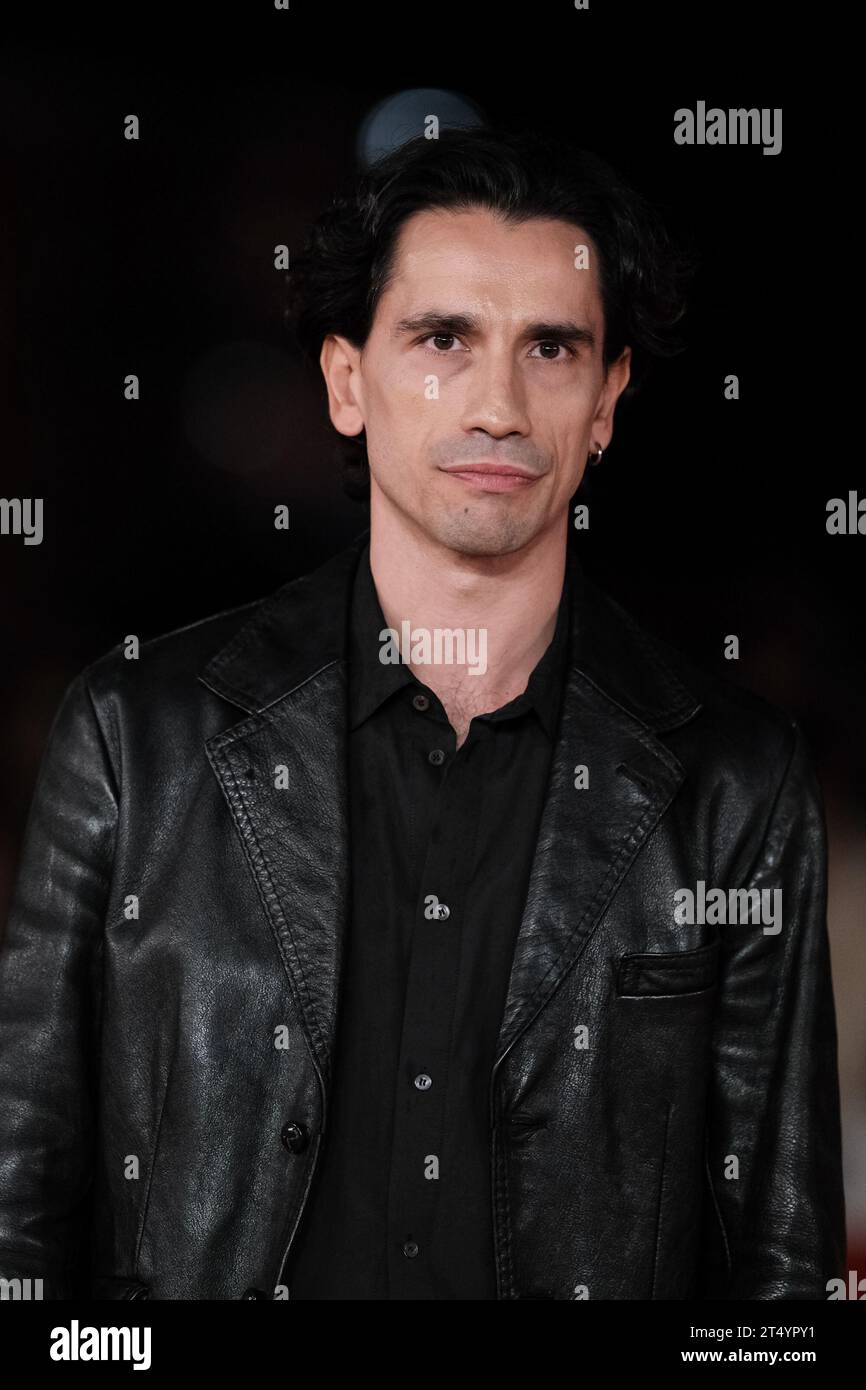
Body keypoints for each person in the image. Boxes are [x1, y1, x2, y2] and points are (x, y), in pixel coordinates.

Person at [0, 127, 846, 1300]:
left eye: (549, 347)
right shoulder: (135, 739)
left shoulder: (733, 779)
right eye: (443, 338)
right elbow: (17, 1212)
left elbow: (780, 1259)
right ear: (347, 381)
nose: (497, 404)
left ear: (606, 401)